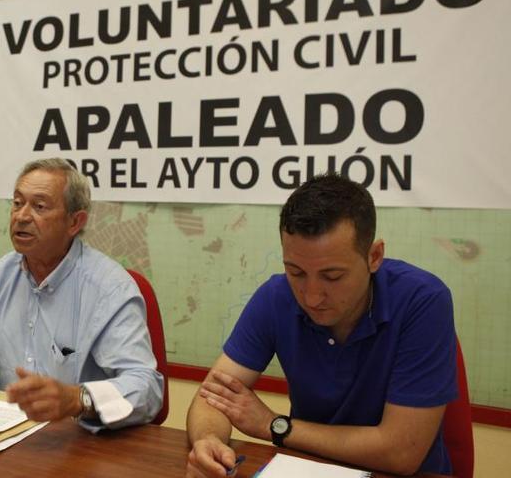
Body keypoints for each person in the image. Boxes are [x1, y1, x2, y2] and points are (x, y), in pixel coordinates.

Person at [186, 173, 458, 477]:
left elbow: (400, 453)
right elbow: (213, 397)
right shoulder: (276, 296)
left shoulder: (422, 300)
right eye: (296, 272)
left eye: (332, 276)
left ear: (374, 256)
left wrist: (273, 425)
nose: (312, 297)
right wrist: (208, 441)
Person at [0, 158, 164, 430]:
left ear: (75, 222)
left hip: (84, 445)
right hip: (8, 439)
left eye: (39, 206)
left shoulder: (109, 287)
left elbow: (146, 386)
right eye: (17, 203)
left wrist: (78, 399)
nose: (22, 216)